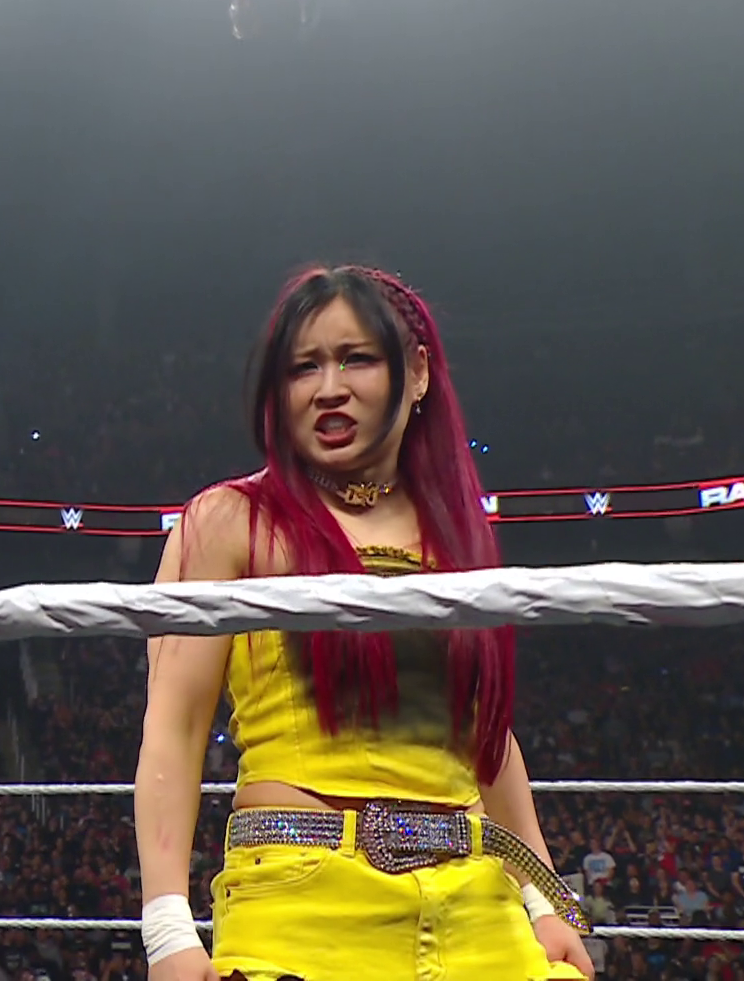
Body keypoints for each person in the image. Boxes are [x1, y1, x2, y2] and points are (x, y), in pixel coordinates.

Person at [132, 266, 594, 981]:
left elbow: (487, 735)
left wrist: (546, 898)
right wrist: (167, 930)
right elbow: (176, 725)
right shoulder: (230, 521)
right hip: (302, 900)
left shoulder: (454, 535)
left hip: (478, 902)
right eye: (303, 367)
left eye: (356, 359)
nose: (328, 388)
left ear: (417, 373)